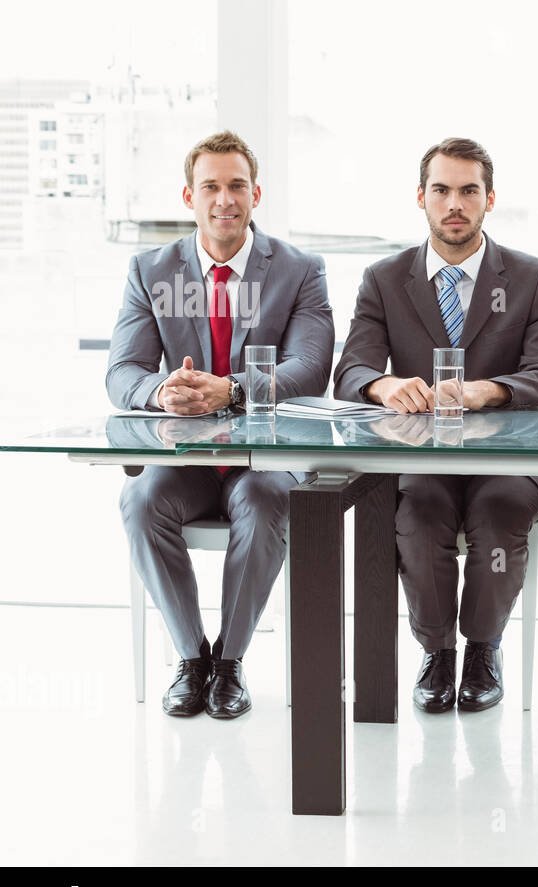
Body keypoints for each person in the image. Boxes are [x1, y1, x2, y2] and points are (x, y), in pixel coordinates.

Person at [333, 137, 538, 714]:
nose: (454, 203)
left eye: (469, 191)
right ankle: (437, 651)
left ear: (490, 199)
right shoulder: (384, 279)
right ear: (421, 197)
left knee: (501, 512)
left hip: (507, 459)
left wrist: (485, 392)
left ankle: (483, 649)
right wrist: (385, 386)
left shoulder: (536, 278)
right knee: (416, 513)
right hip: (423, 460)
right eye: (442, 190)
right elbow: (350, 372)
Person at [107, 130, 335, 719]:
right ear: (189, 196)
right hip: (185, 460)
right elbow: (122, 372)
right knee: (140, 499)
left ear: (256, 193)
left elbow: (310, 369)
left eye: (237, 185)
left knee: (263, 502)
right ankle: (192, 658)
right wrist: (162, 391)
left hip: (263, 458)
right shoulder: (150, 269)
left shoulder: (300, 270)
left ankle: (230, 663)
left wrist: (232, 391)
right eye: (210, 186)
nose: (224, 199)